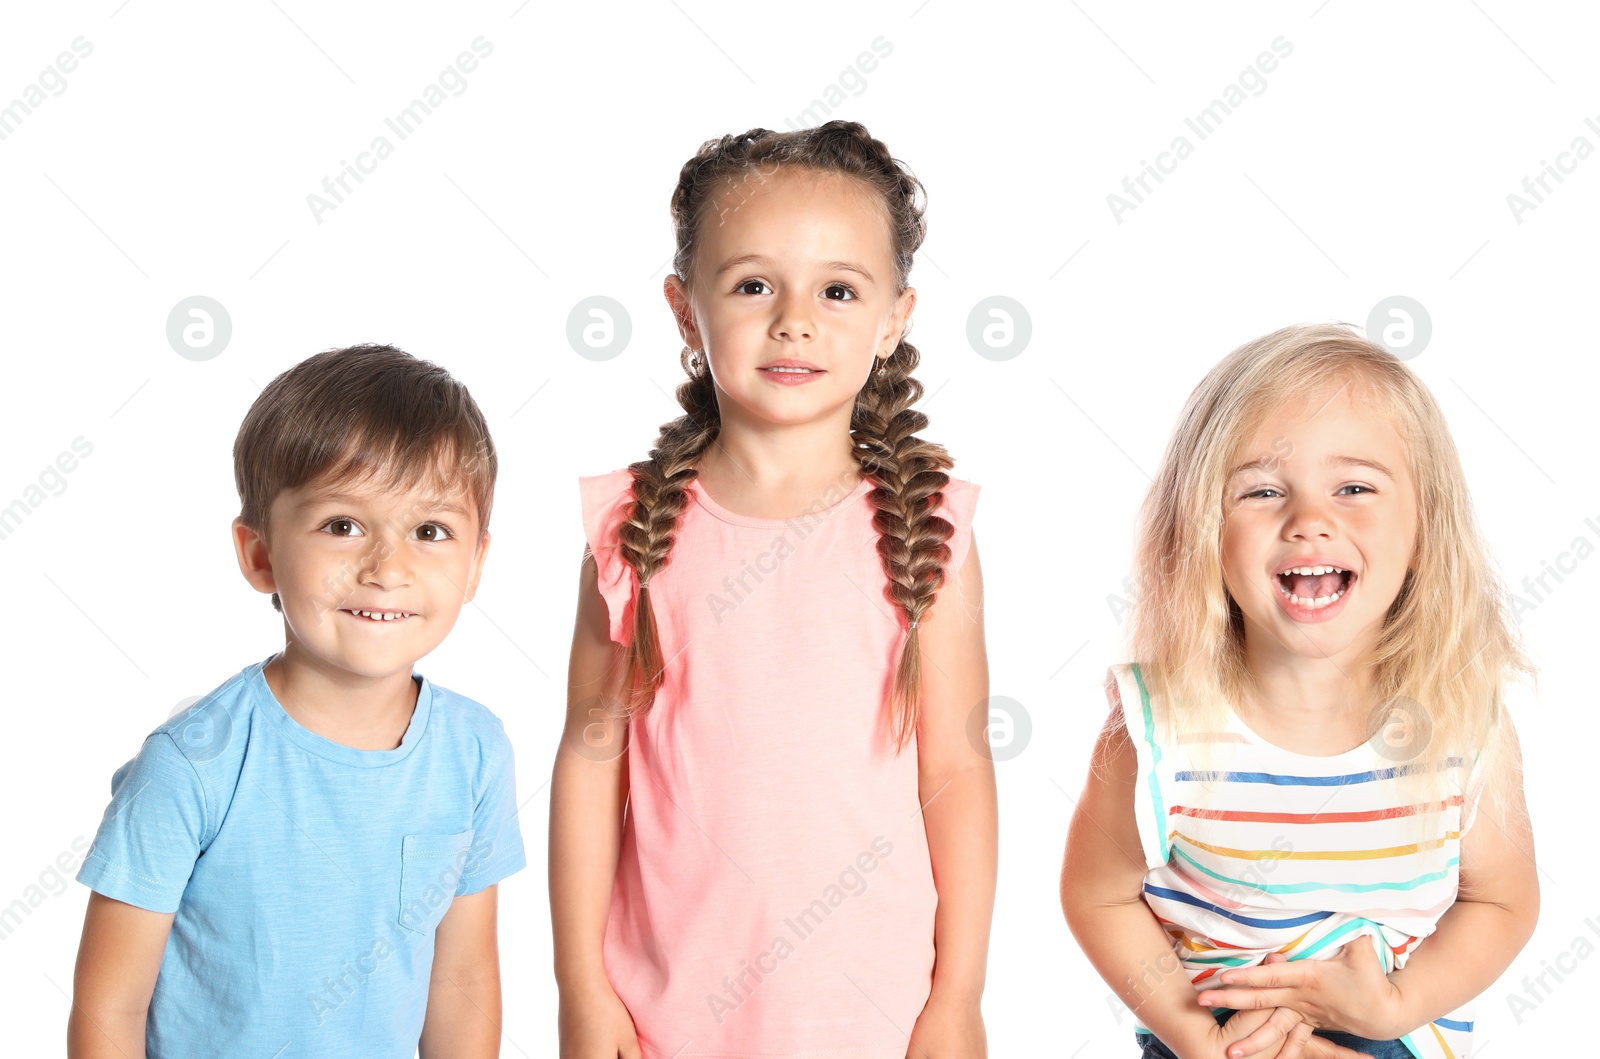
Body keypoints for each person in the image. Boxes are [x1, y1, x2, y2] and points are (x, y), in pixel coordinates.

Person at [549, 121, 996, 1059]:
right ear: (684, 309)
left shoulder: (930, 530)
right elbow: (590, 762)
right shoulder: (630, 528)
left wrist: (957, 997)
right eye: (753, 284)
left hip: (872, 1020)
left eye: (838, 290)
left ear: (893, 319)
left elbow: (956, 776)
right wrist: (582, 989)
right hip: (663, 1013)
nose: (794, 318)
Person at [1061, 323, 1538, 1059]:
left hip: (1392, 1034)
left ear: (1424, 525)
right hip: (1216, 1037)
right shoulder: (1159, 730)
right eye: (1262, 490)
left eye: (1354, 487)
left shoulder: (1460, 721)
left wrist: (1393, 1007)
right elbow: (1098, 895)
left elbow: (1502, 902)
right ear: (1201, 528)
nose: (1310, 521)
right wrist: (1196, 1038)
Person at [68, 345, 526, 1058]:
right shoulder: (191, 766)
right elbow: (108, 1007)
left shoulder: (474, 752)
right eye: (343, 525)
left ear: (476, 565)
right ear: (260, 556)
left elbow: (463, 981)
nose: (388, 567)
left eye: (430, 531)